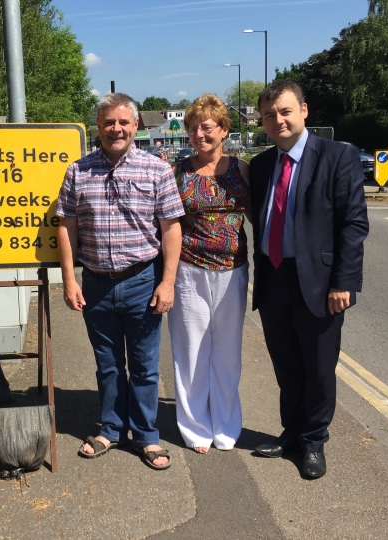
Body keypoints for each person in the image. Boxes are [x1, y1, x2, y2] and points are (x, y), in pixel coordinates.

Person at [56, 92, 184, 470]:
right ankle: (110, 429)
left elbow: (171, 228)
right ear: (98, 126)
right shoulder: (78, 171)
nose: (117, 129)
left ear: (136, 126)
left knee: (144, 365)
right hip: (95, 284)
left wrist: (168, 282)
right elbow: (67, 226)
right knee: (108, 364)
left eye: (124, 122)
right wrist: (69, 279)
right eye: (109, 122)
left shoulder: (157, 169)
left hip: (143, 280)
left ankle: (146, 436)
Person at [249, 81, 369, 478]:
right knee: (286, 365)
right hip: (274, 278)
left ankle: (314, 441)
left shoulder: (338, 157)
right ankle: (292, 434)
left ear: (304, 110)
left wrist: (344, 282)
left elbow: (353, 224)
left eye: (284, 111)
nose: (278, 120)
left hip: (320, 282)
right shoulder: (264, 164)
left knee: (318, 368)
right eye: (269, 115)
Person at [167, 93, 250, 454]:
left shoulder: (242, 168)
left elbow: (260, 216)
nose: (200, 134)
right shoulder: (179, 171)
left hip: (233, 271)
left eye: (207, 127)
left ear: (223, 129)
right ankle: (196, 427)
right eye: (193, 128)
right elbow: (167, 224)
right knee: (191, 351)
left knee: (228, 352)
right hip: (189, 270)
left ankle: (226, 424)